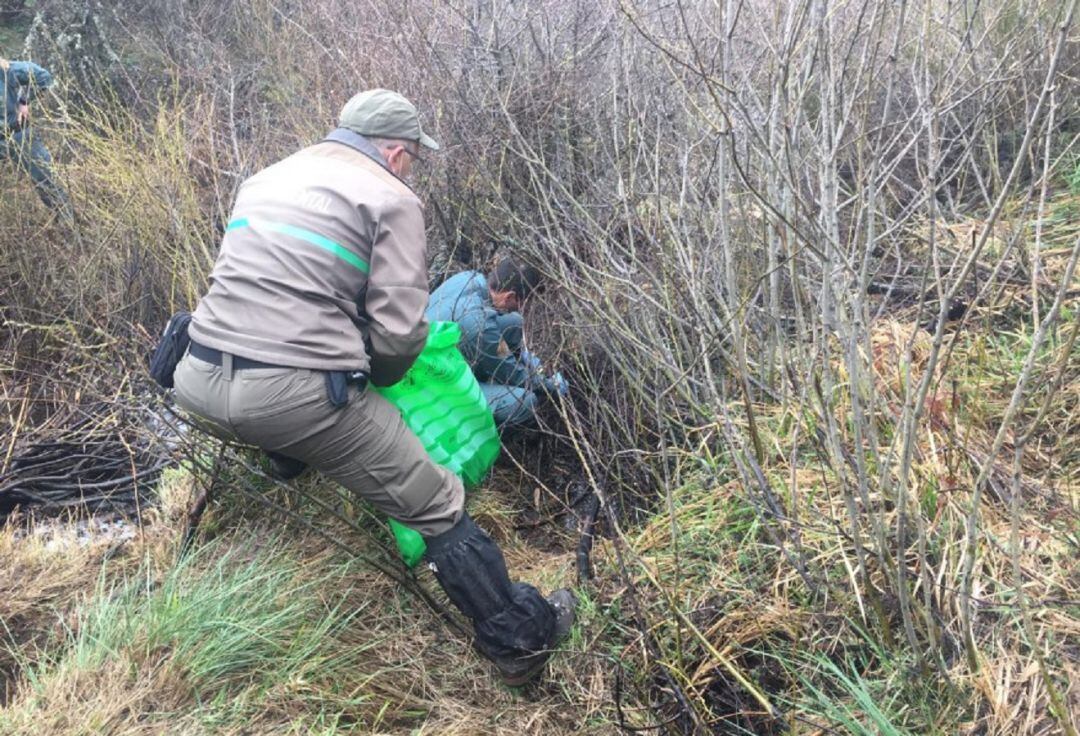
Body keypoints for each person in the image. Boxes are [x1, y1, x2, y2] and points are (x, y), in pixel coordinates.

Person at [171, 89, 574, 685]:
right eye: (413, 156)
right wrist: (380, 385)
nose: (411, 166)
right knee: (436, 502)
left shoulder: (264, 179)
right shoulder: (392, 197)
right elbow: (397, 336)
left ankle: (286, 462)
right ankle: (520, 641)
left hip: (196, 380)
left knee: (280, 418)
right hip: (291, 397)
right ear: (395, 151)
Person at [426, 258, 568, 429]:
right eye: (521, 303)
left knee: (514, 323)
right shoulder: (480, 328)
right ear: (510, 297)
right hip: (430, 382)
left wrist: (523, 356)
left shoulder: (468, 277)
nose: (520, 308)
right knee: (524, 402)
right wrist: (549, 386)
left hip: (433, 347)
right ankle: (483, 440)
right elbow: (515, 377)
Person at [1, 58, 71, 218]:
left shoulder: (8, 71)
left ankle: (69, 226)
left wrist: (24, 101)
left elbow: (43, 77)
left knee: (45, 181)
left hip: (19, 135)